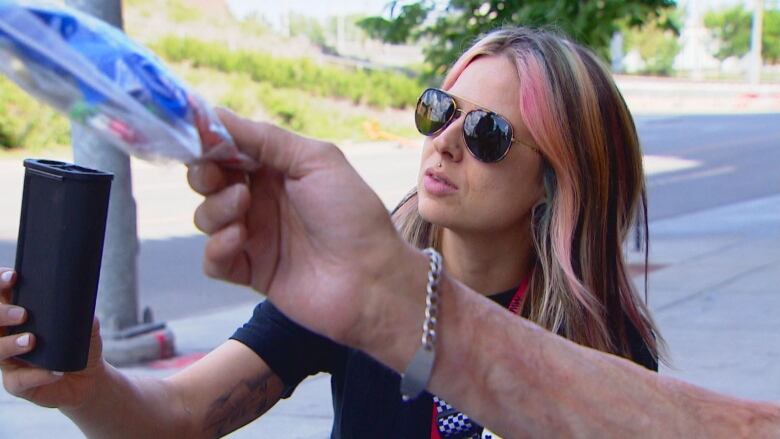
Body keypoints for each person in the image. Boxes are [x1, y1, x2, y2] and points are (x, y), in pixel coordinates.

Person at [3, 26, 763, 438]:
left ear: (557, 182)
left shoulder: (602, 345)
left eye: (491, 132)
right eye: (440, 109)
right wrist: (85, 385)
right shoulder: (356, 282)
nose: (446, 142)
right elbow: (175, 418)